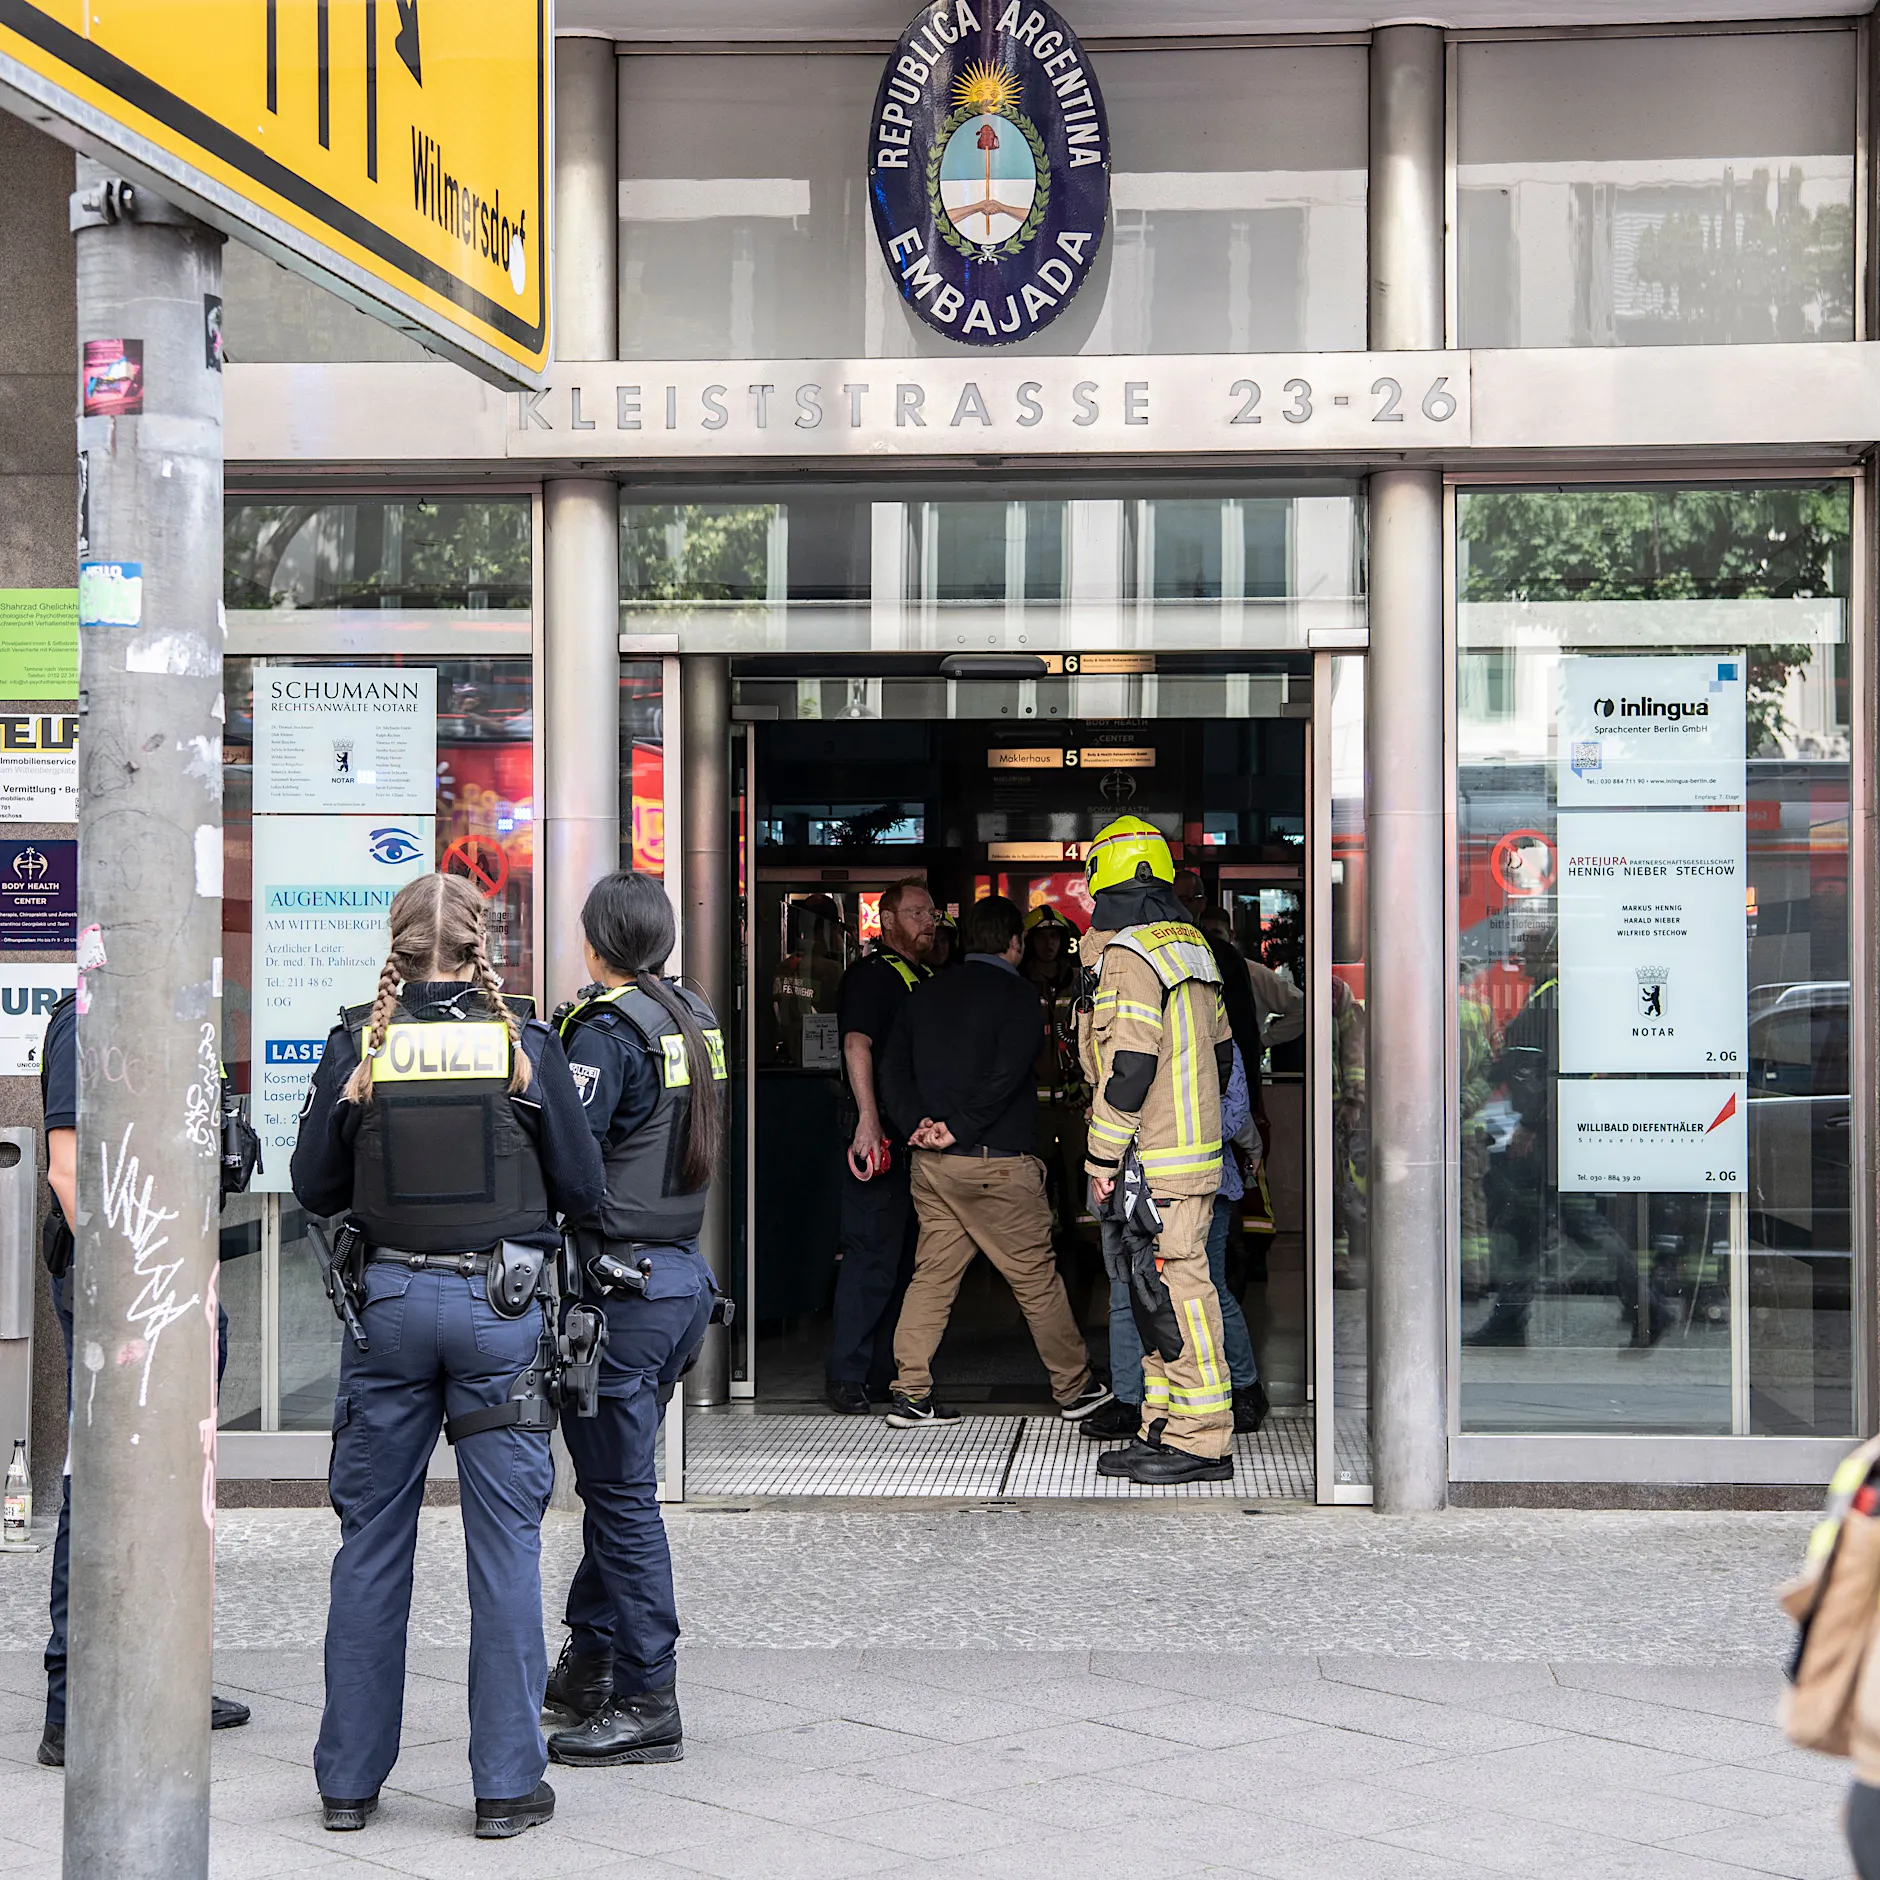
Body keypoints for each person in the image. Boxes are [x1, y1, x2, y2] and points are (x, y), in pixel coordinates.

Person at [291, 874, 604, 1840]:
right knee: (505, 1549)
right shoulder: (525, 1045)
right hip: (497, 1313)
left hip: (386, 1312)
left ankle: (348, 1784)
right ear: (481, 946)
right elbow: (584, 1192)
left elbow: (312, 1182)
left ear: (396, 946)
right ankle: (507, 1786)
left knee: (370, 1544)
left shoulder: (362, 1041)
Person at [36, 994, 252, 1767]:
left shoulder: (182, 1021)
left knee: (175, 1482)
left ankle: (167, 1681)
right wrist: (134, 1277)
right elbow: (66, 1169)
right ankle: (70, 1704)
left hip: (181, 1279)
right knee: (101, 1480)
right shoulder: (85, 1020)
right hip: (123, 1287)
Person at [541, 871, 726, 1768]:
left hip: (621, 1290)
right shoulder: (691, 1019)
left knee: (621, 1500)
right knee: (618, 1489)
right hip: (678, 1280)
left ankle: (649, 1697)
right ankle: (591, 1663)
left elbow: (566, 1155)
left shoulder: (609, 1032)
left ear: (596, 941)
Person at [877, 896, 1111, 1427]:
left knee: (932, 1276)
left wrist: (919, 1123)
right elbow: (1005, 1077)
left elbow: (892, 1068)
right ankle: (1075, 1390)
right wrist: (958, 1127)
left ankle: (911, 1392)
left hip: (933, 1166)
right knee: (1035, 1279)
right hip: (996, 1164)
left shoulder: (926, 992)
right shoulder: (1018, 996)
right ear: (1014, 943)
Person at [1079, 818, 1237, 1484]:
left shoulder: (1129, 956)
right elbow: (1224, 1057)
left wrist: (1100, 1158)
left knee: (1179, 1297)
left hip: (1151, 1160)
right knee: (1157, 1296)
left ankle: (1201, 1442)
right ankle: (1164, 1428)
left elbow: (1131, 1068)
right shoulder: (1191, 947)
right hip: (1185, 1154)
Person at [1084, 1039, 1268, 1440]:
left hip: (1198, 1187)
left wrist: (1160, 1126)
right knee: (1124, 1295)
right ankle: (1130, 1400)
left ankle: (1243, 1387)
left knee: (1206, 1289)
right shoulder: (1126, 1035)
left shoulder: (1212, 1038)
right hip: (1127, 1187)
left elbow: (1234, 1111)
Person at [823, 877, 936, 1413]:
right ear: (886, 921)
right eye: (916, 914)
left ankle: (882, 1371)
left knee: (903, 1261)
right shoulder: (873, 976)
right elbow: (855, 1043)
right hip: (881, 1137)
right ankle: (847, 1375)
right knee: (871, 1257)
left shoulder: (923, 976)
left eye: (931, 914)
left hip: (915, 1140)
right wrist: (869, 1122)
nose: (928, 922)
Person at [1020, 904, 1090, 1262]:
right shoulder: (1017, 984)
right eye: (1042, 937)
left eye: (1055, 936)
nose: (1049, 944)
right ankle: (1039, 1247)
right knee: (1036, 1180)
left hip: (1075, 1104)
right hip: (1032, 1109)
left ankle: (1088, 1247)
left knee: (1081, 1175)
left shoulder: (1080, 981)